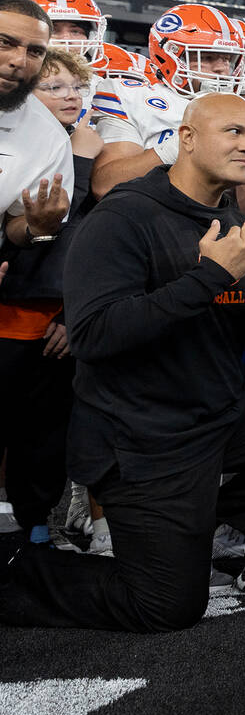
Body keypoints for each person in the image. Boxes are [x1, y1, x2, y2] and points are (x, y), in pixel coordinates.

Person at [0, 94, 245, 631]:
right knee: (166, 607)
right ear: (187, 139)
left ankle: (205, 520)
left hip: (218, 409)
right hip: (140, 432)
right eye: (234, 132)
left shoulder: (238, 223)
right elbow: (95, 335)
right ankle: (20, 568)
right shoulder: (124, 216)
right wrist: (210, 278)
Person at [3, 49, 104, 551]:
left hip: (50, 318)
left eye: (75, 87)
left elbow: (88, 243)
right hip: (8, 306)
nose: (71, 96)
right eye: (55, 87)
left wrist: (73, 313)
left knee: (42, 434)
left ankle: (36, 523)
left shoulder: (86, 143)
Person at [0, 0, 75, 547]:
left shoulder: (45, 135)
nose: (18, 61)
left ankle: (33, 541)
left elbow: (18, 229)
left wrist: (40, 226)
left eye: (33, 51)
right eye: (6, 43)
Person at [90, 3, 245, 199]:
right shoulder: (132, 96)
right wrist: (181, 145)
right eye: (207, 57)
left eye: (228, 59)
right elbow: (106, 185)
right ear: (169, 57)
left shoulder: (244, 110)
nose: (221, 69)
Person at [26, 0, 106, 65]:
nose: (66, 39)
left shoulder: (101, 76)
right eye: (53, 31)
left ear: (91, 37)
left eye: (75, 32)